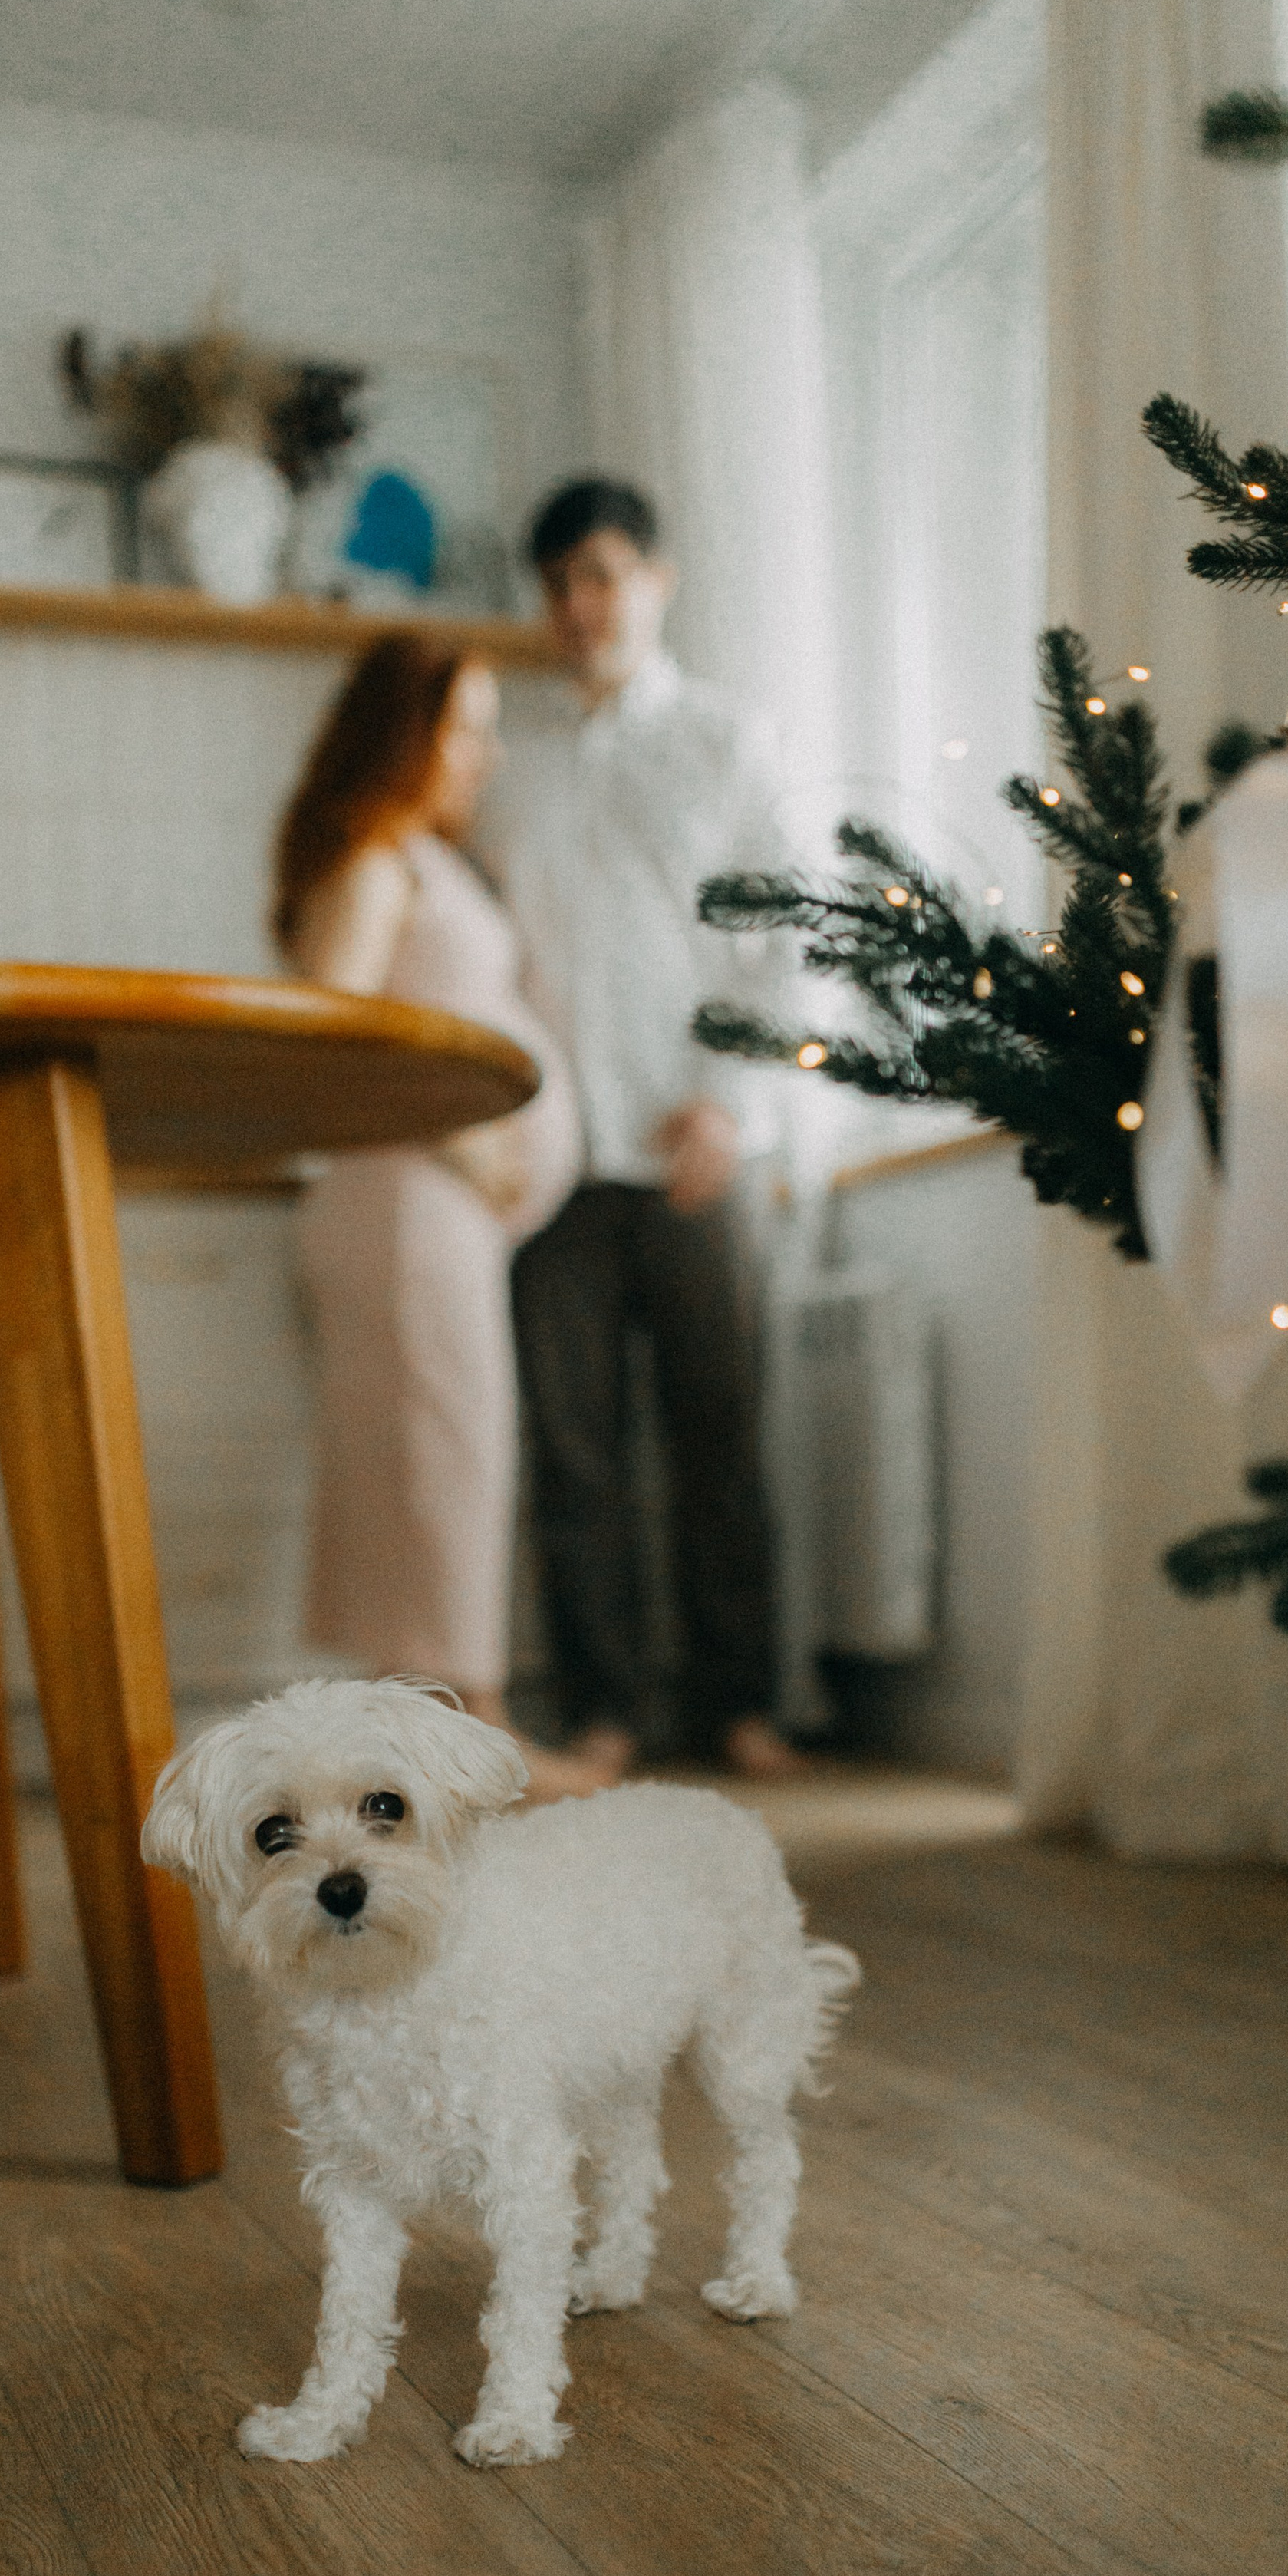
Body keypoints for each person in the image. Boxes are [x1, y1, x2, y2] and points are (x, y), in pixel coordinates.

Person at [489, 477, 808, 1784]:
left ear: (657, 580)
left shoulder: (733, 745)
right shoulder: (506, 775)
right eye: (560, 583)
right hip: (552, 1159)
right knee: (573, 1454)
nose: (580, 606)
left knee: (721, 1437)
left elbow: (781, 942)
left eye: (604, 576)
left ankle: (740, 1705)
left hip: (699, 1152)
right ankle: (604, 1711)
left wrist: (732, 1104)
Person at [275, 632, 588, 1788]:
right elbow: (326, 1036)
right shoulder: (376, 860)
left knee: (435, 1464)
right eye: (466, 727)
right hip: (407, 1205)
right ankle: (478, 1732)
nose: (487, 755)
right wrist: (463, 1134)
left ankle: (434, 1737)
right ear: (406, 734)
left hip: (432, 1214)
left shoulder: (422, 858)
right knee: (443, 1463)